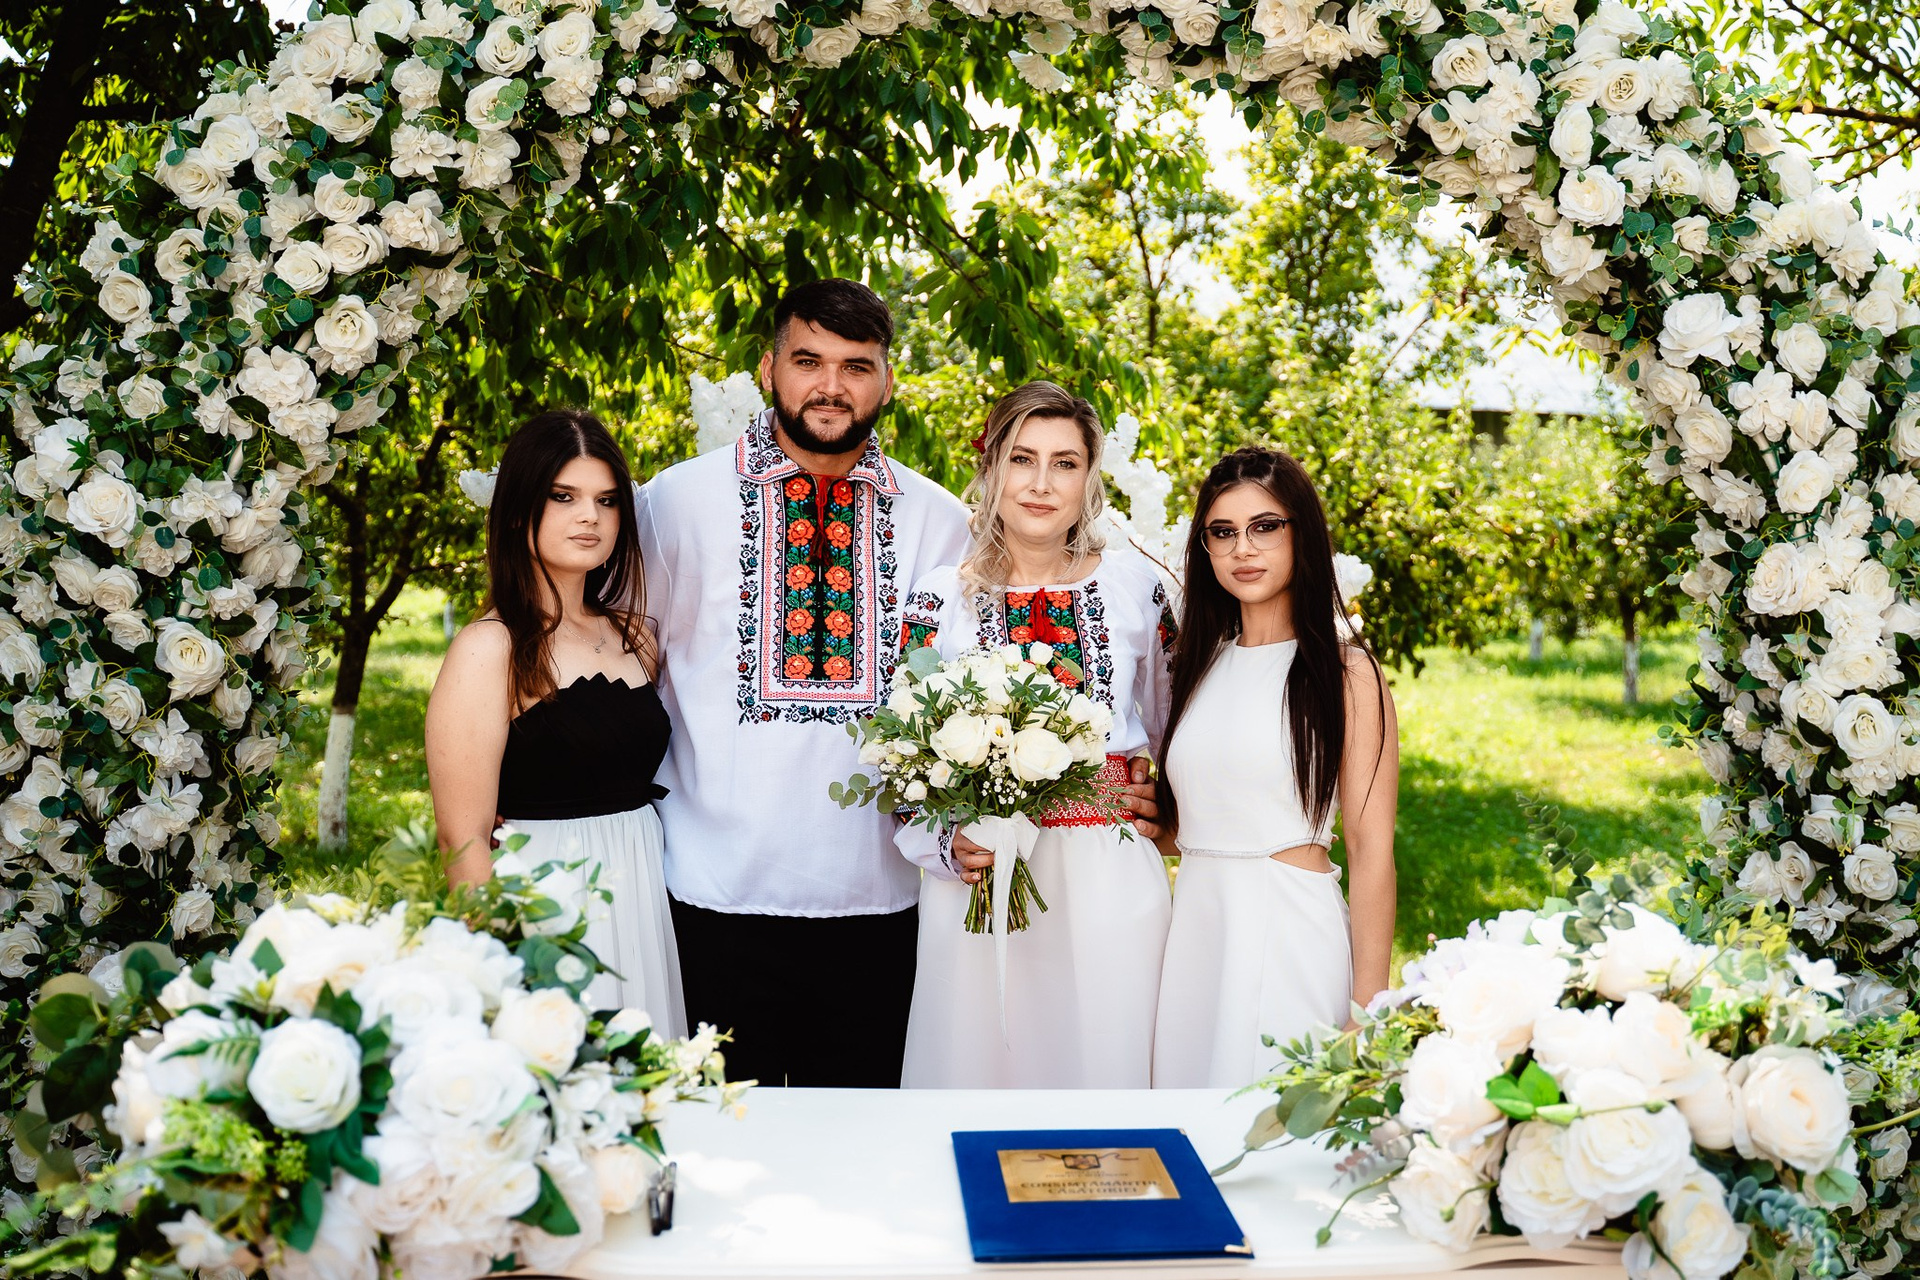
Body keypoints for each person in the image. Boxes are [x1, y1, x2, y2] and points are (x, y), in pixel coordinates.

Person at [632, 280, 973, 1087]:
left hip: (882, 902)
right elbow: (620, 660)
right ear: (767, 368)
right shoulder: (677, 504)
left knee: (859, 1143)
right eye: (808, 360)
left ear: (887, 381)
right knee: (721, 1137)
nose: (831, 386)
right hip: (711, 894)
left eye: (856, 366)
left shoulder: (938, 522)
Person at [895, 382, 1177, 1088]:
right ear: (991, 469)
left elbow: (1180, 727)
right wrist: (943, 844)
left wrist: (1169, 810)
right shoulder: (937, 599)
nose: (1042, 484)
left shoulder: (1135, 589)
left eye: (1065, 463)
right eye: (1022, 459)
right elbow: (899, 756)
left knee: (1106, 1066)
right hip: (982, 880)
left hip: (1106, 876)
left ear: (1090, 478)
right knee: (981, 1069)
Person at [424, 409, 685, 1033]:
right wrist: (500, 967)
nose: (590, 516)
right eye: (563, 497)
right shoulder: (490, 649)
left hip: (643, 891)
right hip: (544, 900)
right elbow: (461, 841)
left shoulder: (635, 637)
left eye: (607, 500)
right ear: (519, 510)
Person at [1151, 446, 1398, 1089]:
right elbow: (1197, 822)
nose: (1243, 549)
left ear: (1301, 534)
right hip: (1196, 934)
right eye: (1222, 532)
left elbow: (1371, 849)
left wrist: (1368, 1009)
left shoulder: (1347, 673)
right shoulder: (1198, 665)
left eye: (1265, 526)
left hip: (1288, 932)